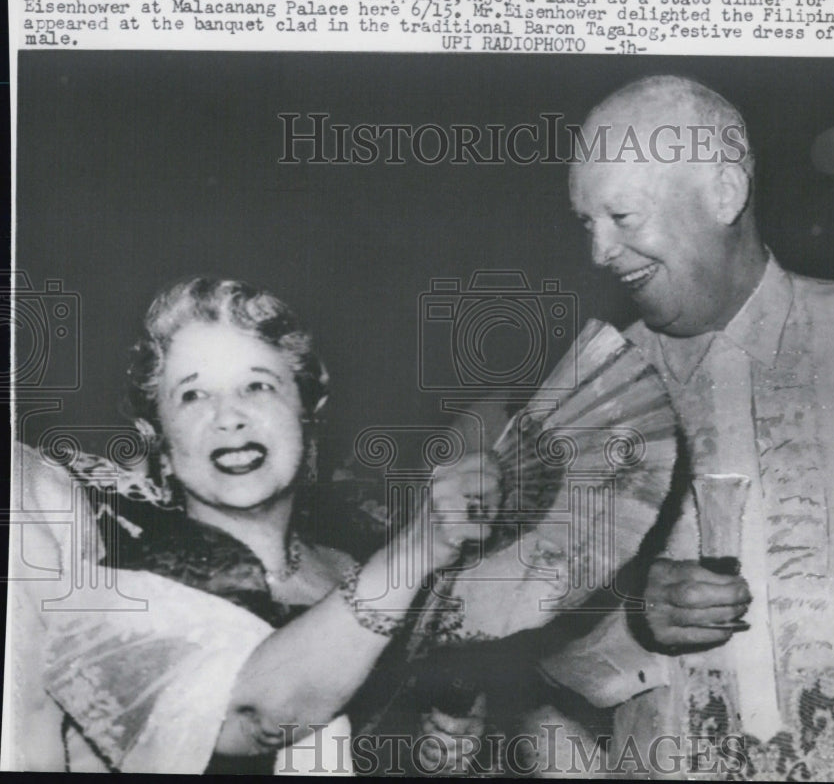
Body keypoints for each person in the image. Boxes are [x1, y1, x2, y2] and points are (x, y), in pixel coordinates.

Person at [446, 75, 834, 780]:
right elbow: (518, 640)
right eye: (586, 223)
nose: (599, 251)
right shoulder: (583, 397)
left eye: (623, 217)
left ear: (725, 193)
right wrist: (631, 617)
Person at [4, 276, 500, 773]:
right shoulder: (119, 592)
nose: (230, 416)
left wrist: (433, 744)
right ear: (159, 440)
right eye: (193, 395)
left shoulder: (353, 562)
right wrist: (415, 549)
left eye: (257, 386)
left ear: (307, 408)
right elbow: (250, 718)